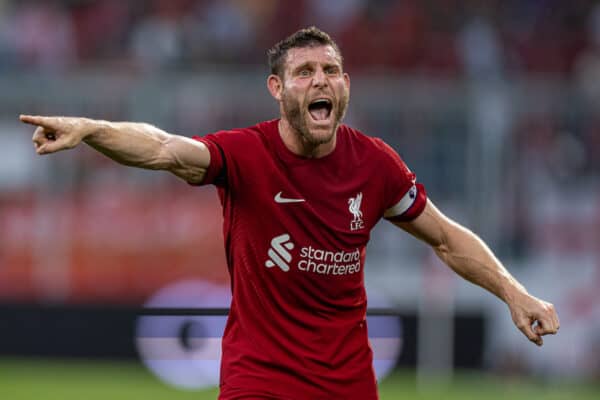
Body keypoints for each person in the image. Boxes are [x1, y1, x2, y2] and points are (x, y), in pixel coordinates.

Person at [20, 26, 559, 400]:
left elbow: (445, 237)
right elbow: (163, 148)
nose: (322, 79)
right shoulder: (246, 154)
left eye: (332, 70)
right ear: (277, 90)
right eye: (304, 72)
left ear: (346, 85)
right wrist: (93, 129)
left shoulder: (374, 164)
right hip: (260, 382)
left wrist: (516, 293)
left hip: (347, 385)